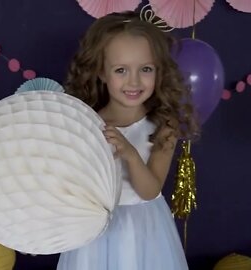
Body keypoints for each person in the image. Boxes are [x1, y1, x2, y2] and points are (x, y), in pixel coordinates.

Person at [57, 10, 200, 270]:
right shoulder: (87, 123)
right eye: (121, 70)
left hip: (144, 229)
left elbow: (149, 191)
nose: (134, 81)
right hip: (96, 230)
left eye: (145, 69)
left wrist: (131, 154)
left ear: (158, 71)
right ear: (101, 72)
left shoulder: (163, 128)